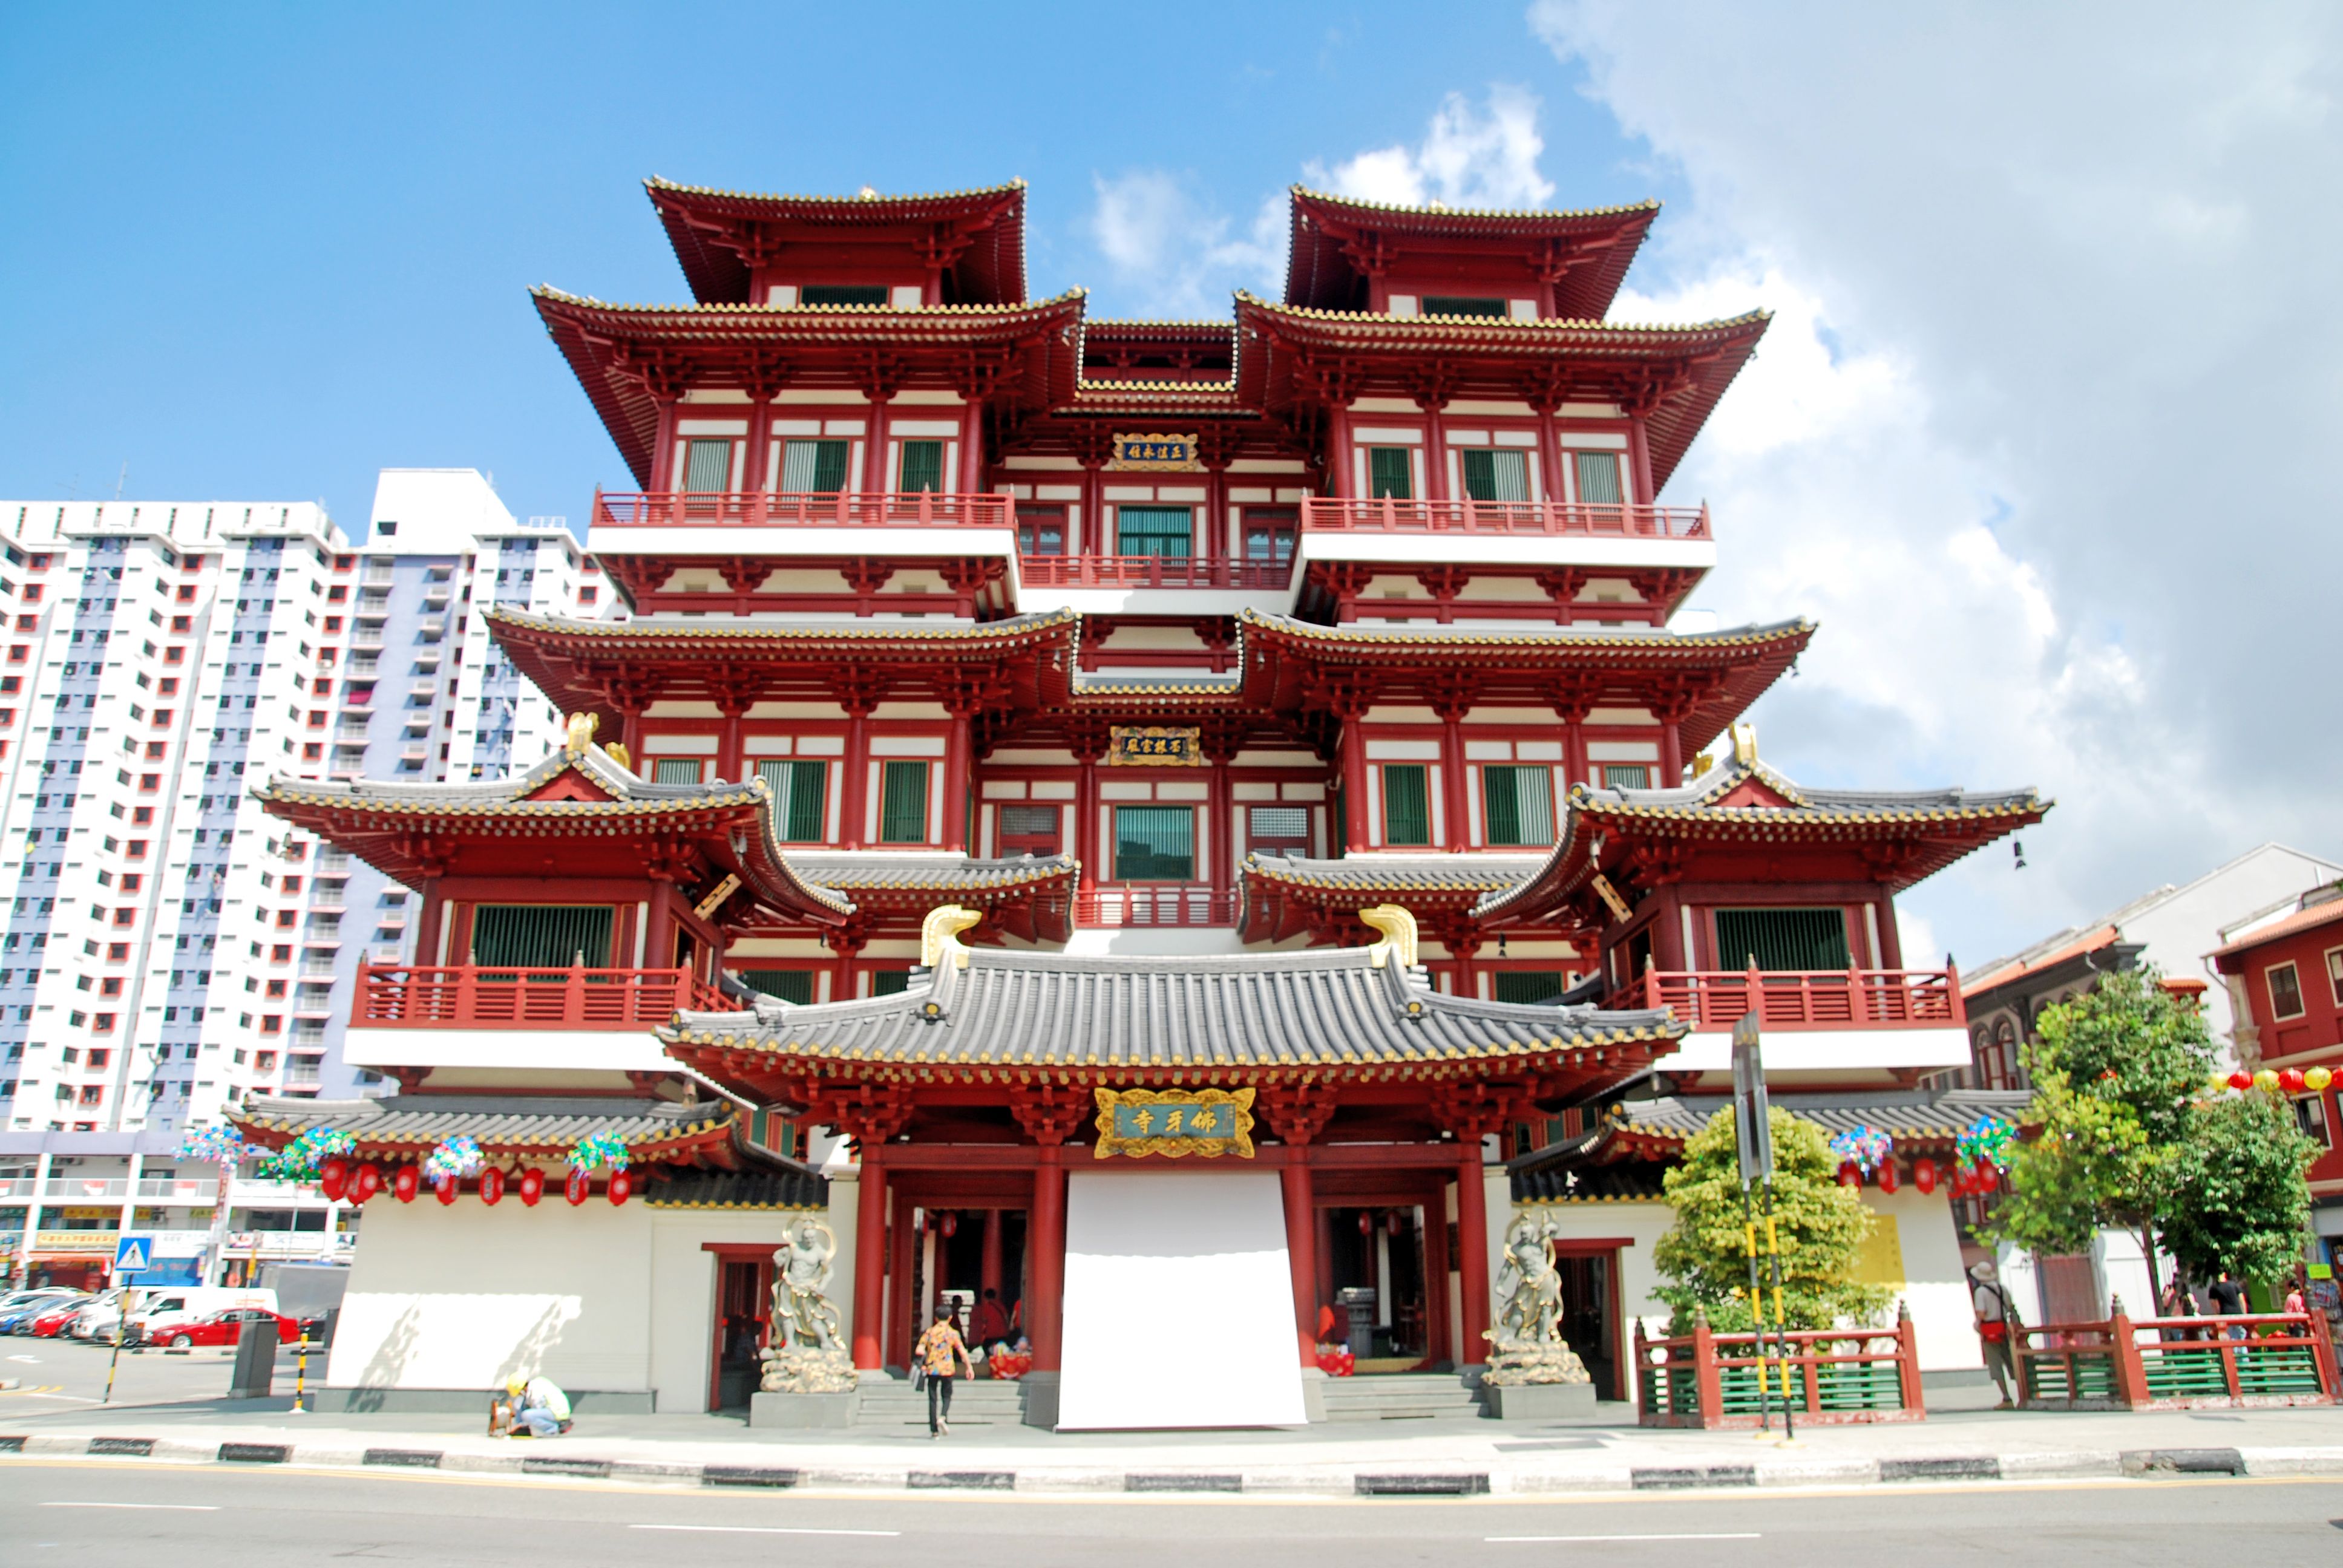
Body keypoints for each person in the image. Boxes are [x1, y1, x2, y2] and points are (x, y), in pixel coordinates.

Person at [912, 1301, 975, 1437]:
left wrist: (922, 1359)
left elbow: (919, 1349)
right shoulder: (953, 1333)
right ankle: (943, 1416)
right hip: (947, 1369)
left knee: (932, 1398)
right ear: (950, 1318)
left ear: (936, 1318)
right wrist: (969, 1368)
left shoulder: (929, 1332)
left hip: (932, 1369)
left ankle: (934, 1430)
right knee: (947, 1395)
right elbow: (962, 1352)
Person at [1968, 1260, 2019, 1408]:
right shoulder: (2003, 1289)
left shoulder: (1981, 1292)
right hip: (2004, 1328)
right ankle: (2025, 1392)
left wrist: (1976, 1324)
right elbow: (2010, 1307)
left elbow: (1982, 1313)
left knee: (1996, 1365)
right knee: (2012, 1363)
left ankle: (2006, 1398)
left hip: (1990, 1330)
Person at [493, 1374, 572, 1438]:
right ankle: (554, 1426)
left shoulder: (536, 1391)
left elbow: (537, 1409)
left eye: (519, 1393)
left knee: (527, 1415)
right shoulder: (536, 1384)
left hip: (557, 1412)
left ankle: (552, 1429)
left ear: (522, 1389)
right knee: (525, 1409)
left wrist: (522, 1425)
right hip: (559, 1410)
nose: (520, 1395)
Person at [968, 1287, 1011, 1353]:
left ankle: (991, 1359)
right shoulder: (1000, 1305)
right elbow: (1006, 1317)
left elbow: (984, 1319)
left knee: (986, 1346)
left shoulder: (987, 1306)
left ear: (986, 1297)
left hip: (991, 1332)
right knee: (1003, 1348)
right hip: (1002, 1331)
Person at [2209, 1269, 2247, 1339]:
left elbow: (2214, 1304)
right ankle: (2242, 1349)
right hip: (2238, 1313)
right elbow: (2242, 1300)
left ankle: (2235, 1350)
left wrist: (2217, 1316)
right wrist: (2244, 1314)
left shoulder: (2214, 1288)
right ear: (2224, 1274)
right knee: (2240, 1335)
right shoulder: (2234, 1285)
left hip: (2225, 1314)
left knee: (2231, 1336)